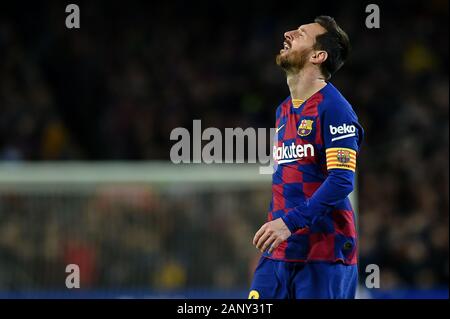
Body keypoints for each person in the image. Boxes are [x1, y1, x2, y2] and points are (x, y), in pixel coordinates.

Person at [250, 16, 364, 299]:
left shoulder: (335, 109)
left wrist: (289, 223)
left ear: (318, 55)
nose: (288, 33)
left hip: (322, 256)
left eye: (300, 33)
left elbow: (341, 180)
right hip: (279, 253)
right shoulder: (283, 111)